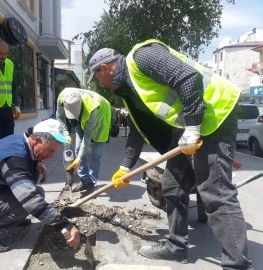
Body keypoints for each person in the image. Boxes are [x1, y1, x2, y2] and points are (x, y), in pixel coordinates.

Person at [87, 39, 252, 269]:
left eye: (97, 78)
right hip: (188, 129)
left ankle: (237, 264)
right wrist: (125, 168)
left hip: (215, 117)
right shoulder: (128, 90)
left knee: (216, 193)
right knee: (172, 187)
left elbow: (188, 77)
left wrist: (193, 127)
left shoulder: (141, 57)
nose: (100, 84)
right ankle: (176, 247)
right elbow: (138, 129)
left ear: (105, 69)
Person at [0, 119, 81, 253]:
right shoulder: (14, 158)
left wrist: (36, 162)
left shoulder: (21, 141)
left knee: (35, 190)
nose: (51, 157)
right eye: (50, 150)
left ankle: (11, 218)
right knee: (32, 199)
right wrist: (65, 225)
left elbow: (25, 160)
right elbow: (30, 199)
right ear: (37, 140)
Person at [56, 87, 111, 193]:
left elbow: (87, 138)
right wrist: (66, 134)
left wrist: (79, 158)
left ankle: (91, 182)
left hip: (102, 115)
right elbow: (59, 117)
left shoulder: (92, 108)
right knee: (77, 149)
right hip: (82, 117)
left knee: (96, 154)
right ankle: (84, 179)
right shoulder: (62, 97)